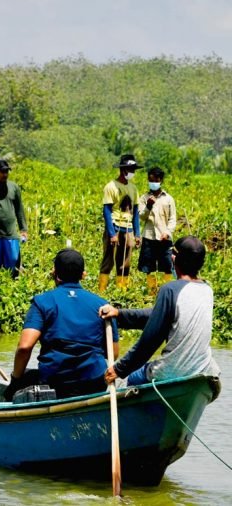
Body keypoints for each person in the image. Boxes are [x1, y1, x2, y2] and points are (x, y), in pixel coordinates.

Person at [102, 236, 220, 386]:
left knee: (130, 379)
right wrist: (120, 314)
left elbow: (150, 341)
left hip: (172, 371)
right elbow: (160, 316)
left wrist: (120, 369)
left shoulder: (169, 290)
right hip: (202, 369)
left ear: (174, 259)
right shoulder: (207, 289)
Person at [4, 249, 118, 401]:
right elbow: (113, 353)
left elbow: (24, 347)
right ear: (83, 275)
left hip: (56, 382)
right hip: (94, 382)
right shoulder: (102, 305)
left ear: (55, 274)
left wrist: (15, 380)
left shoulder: (43, 302)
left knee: (24, 379)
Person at [98, 153, 142, 291]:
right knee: (108, 260)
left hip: (128, 228)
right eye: (130, 169)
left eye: (134, 170)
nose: (132, 172)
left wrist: (137, 233)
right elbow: (107, 210)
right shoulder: (111, 186)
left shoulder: (133, 188)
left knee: (125, 262)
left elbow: (135, 212)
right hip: (115, 226)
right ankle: (102, 289)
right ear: (123, 170)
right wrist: (112, 234)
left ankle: (121, 290)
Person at [138, 166, 176, 295]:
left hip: (164, 237)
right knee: (149, 267)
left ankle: (166, 292)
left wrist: (168, 232)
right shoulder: (144, 198)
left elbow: (172, 218)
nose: (152, 183)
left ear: (161, 180)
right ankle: (152, 292)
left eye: (155, 180)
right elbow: (141, 217)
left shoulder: (168, 199)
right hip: (149, 236)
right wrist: (148, 206)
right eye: (150, 180)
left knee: (167, 266)